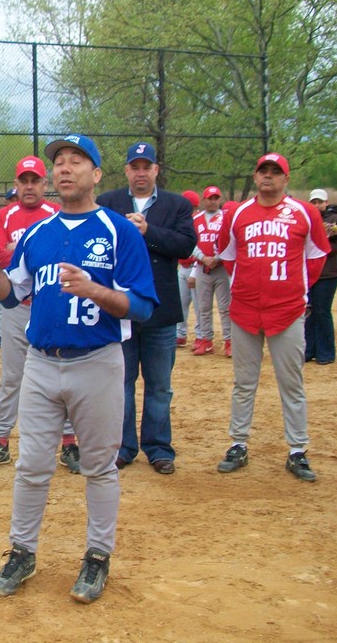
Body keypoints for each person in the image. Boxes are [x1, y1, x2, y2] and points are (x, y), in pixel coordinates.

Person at [0, 134, 157, 605]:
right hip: (41, 363)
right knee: (32, 466)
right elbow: (12, 295)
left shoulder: (119, 231)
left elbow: (142, 307)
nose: (65, 168)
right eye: (60, 162)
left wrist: (95, 290)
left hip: (97, 362)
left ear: (96, 175)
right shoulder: (37, 234)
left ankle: (97, 556)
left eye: (77, 161)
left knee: (98, 466)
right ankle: (22, 551)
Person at [215, 153, 330, 482]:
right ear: (255, 177)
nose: (268, 176)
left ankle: (297, 449)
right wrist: (249, 287)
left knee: (291, 382)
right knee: (243, 383)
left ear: (286, 178)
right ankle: (238, 444)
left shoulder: (304, 213)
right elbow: (229, 257)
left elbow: (316, 257)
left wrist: (293, 290)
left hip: (288, 310)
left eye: (275, 172)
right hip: (245, 310)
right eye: (263, 171)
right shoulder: (238, 215)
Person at [97, 141, 195, 475]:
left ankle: (158, 447)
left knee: (159, 385)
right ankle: (123, 447)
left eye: (146, 166)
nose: (140, 172)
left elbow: (185, 245)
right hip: (120, 308)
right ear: (126, 170)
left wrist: (148, 231)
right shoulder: (107, 203)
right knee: (120, 383)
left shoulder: (177, 205)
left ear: (156, 170)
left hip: (161, 310)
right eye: (134, 166)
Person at [0, 157, 61, 471]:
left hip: (52, 306)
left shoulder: (58, 213)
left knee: (61, 373)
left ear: (44, 183)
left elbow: (62, 253)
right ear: (16, 184)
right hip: (16, 308)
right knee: (12, 376)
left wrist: (18, 247)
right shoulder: (3, 216)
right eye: (23, 180)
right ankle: (0, 441)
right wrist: (29, 250)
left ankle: (69, 444)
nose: (28, 186)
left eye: (35, 180)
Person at [304, 188, 337, 366]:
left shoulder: (336, 220)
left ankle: (326, 352)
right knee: (309, 312)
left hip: (328, 273)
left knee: (322, 311)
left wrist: (320, 249)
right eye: (313, 202)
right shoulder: (306, 219)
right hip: (308, 272)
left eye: (320, 202)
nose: (316, 205)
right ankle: (309, 350)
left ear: (326, 202)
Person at [190, 186, 232, 356]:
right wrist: (202, 257)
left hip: (221, 268)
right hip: (202, 267)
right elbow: (190, 242)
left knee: (225, 307)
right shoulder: (196, 219)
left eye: (216, 198)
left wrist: (218, 258)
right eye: (210, 198)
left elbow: (231, 242)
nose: (213, 201)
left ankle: (230, 341)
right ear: (204, 200)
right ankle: (206, 340)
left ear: (220, 199)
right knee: (203, 306)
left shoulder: (226, 218)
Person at [0, 187, 19, 350]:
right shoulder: (3, 218)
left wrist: (16, 247)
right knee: (2, 305)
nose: (15, 202)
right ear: (7, 201)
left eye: (17, 199)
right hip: (6, 273)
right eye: (11, 199)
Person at [176, 190, 201, 347]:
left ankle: (201, 335)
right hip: (182, 267)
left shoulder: (197, 221)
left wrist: (195, 272)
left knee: (200, 306)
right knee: (181, 303)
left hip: (196, 266)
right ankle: (180, 333)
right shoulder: (179, 221)